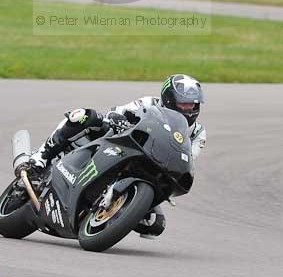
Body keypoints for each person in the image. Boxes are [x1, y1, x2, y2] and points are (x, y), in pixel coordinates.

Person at [18, 74, 206, 239]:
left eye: (192, 104)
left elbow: (188, 159)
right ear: (169, 99)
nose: (188, 109)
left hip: (153, 166)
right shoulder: (150, 103)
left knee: (155, 224)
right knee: (82, 116)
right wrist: (118, 119)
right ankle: (41, 157)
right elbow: (119, 111)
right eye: (184, 103)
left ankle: (112, 211)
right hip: (121, 142)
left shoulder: (198, 133)